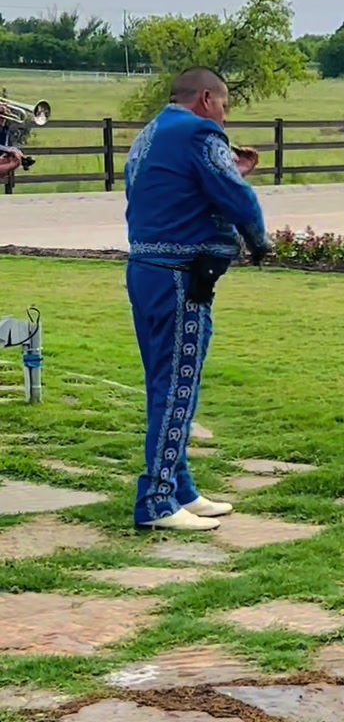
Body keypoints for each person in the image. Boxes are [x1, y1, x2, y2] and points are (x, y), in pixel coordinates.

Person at [125, 67, 270, 531]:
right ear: (207, 98)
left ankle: (180, 487)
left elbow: (172, 192)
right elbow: (237, 199)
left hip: (147, 270)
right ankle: (157, 500)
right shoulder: (200, 133)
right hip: (181, 278)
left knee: (164, 384)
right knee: (177, 386)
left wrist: (228, 168)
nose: (225, 117)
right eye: (224, 105)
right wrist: (259, 241)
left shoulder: (151, 133)